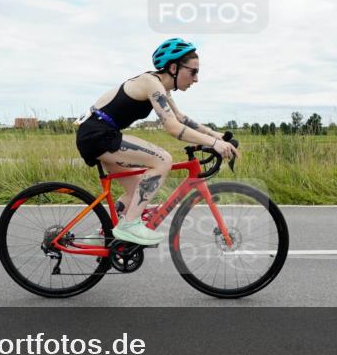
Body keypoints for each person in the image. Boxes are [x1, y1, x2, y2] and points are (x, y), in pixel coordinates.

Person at [75, 38, 240, 245]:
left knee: (138, 190)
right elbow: (172, 127)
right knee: (162, 159)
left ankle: (105, 235)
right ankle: (130, 225)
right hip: (98, 135)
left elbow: (180, 118)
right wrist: (214, 144)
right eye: (193, 72)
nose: (196, 79)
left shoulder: (161, 87)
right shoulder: (151, 83)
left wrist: (215, 135)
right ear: (174, 68)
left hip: (99, 135)